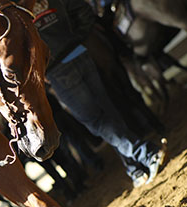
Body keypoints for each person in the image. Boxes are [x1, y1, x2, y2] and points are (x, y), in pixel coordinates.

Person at [32, 0, 166, 187]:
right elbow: (85, 10)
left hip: (57, 70)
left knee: (96, 122)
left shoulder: (17, 14)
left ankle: (144, 152)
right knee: (108, 113)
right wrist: (78, 39)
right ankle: (134, 169)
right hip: (79, 54)